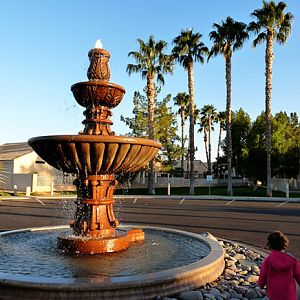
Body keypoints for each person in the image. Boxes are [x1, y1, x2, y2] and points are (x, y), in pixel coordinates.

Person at [258, 231, 300, 300]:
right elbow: (299, 275)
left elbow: (262, 278)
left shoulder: (268, 260)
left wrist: (261, 285)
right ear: (285, 244)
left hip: (273, 294)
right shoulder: (292, 260)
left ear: (270, 244)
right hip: (289, 294)